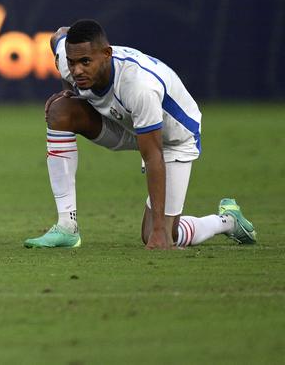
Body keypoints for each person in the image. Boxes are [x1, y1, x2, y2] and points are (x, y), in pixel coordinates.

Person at [25, 20, 257, 250]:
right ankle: (67, 227)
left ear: (107, 54)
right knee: (61, 111)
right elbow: (59, 35)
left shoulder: (139, 86)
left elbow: (154, 155)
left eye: (85, 62)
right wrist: (69, 92)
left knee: (159, 235)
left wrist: (159, 231)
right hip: (125, 123)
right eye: (72, 62)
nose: (77, 70)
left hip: (172, 139)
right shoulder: (72, 60)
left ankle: (226, 221)